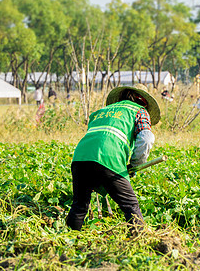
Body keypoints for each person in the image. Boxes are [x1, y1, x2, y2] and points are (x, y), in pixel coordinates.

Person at [66, 84, 161, 235]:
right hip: (108, 158)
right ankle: (140, 241)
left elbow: (98, 138)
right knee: (131, 205)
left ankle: (67, 242)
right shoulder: (139, 111)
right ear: (142, 101)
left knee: (79, 205)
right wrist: (135, 164)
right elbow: (146, 138)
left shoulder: (100, 112)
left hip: (80, 158)